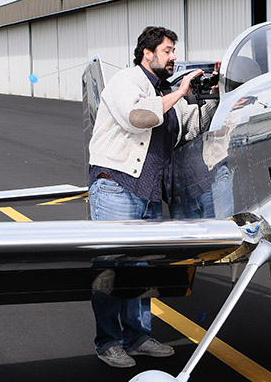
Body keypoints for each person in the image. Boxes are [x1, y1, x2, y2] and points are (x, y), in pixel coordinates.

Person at [87, 25, 207, 368]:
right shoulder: (126, 82)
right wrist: (180, 90)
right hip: (117, 186)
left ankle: (138, 337)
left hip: (152, 192)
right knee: (111, 269)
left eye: (173, 51)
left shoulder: (166, 90)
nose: (173, 57)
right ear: (147, 53)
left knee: (142, 271)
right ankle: (108, 341)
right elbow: (138, 117)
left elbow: (192, 127)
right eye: (167, 51)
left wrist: (216, 99)